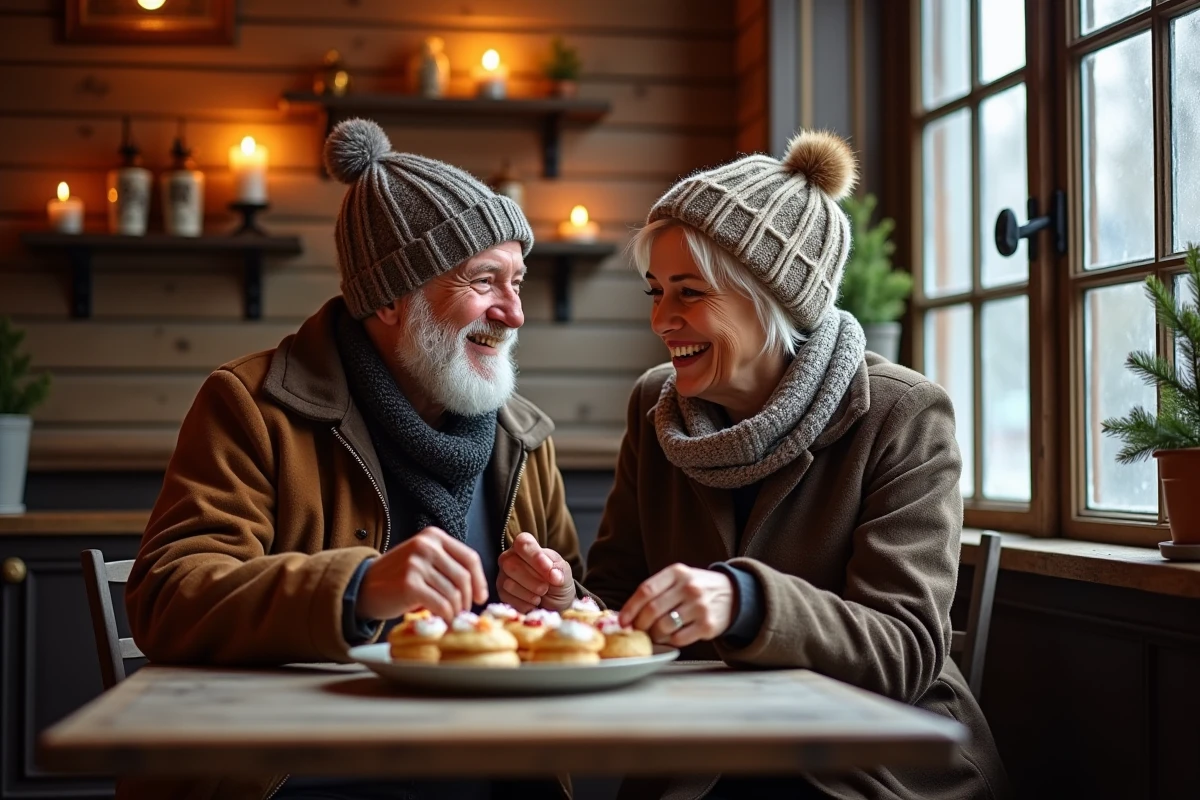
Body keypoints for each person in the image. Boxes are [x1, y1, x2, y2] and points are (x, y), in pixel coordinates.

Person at [503, 131, 1010, 799]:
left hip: (861, 772)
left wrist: (744, 602)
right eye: (656, 292)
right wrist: (571, 604)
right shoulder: (653, 408)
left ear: (772, 297)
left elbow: (903, 653)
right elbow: (623, 605)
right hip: (702, 766)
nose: (663, 319)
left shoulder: (904, 414)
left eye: (689, 292)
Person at [122, 118, 580, 800]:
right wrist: (357, 587)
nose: (513, 313)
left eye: (517, 280)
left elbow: (584, 612)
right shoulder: (250, 406)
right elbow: (168, 597)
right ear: (393, 298)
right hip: (297, 779)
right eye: (485, 281)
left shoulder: (523, 437)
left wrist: (564, 600)